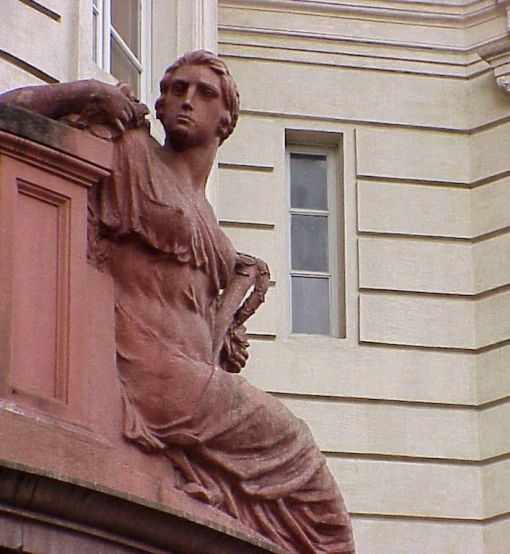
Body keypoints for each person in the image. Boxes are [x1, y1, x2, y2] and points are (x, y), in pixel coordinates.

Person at [0, 51, 355, 554]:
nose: (185, 100)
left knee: (305, 514)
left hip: (191, 376)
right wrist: (77, 94)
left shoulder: (212, 224)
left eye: (204, 94)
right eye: (175, 90)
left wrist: (227, 319)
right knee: (305, 469)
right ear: (160, 106)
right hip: (151, 371)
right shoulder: (131, 152)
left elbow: (196, 314)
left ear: (225, 119)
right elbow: (9, 117)